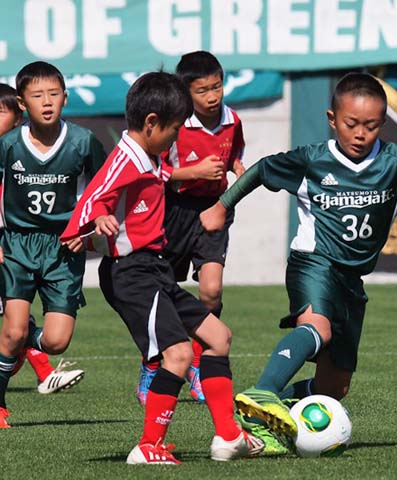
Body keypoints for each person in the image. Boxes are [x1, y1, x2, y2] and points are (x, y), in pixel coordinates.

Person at [199, 72, 397, 453]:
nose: (360, 133)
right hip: (314, 263)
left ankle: (260, 422)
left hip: (351, 280)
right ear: (332, 119)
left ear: (383, 124)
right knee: (318, 328)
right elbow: (261, 170)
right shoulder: (312, 159)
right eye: (351, 124)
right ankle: (263, 392)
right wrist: (221, 206)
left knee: (334, 388)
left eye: (371, 126)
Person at [61, 72, 263, 464]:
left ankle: (227, 437)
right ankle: (148, 446)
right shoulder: (124, 159)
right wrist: (93, 222)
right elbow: (93, 198)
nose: (176, 139)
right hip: (131, 274)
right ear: (152, 123)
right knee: (179, 354)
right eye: (173, 130)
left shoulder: (148, 158)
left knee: (218, 337)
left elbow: (160, 177)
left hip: (155, 269)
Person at [136, 51, 246, 405]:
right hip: (174, 213)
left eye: (217, 87)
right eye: (203, 91)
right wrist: (194, 173)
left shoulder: (232, 120)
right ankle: (152, 362)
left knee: (211, 291)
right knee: (163, 292)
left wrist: (238, 170)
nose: (213, 96)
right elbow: (159, 174)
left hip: (214, 211)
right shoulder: (177, 125)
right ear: (187, 93)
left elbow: (234, 155)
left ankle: (199, 362)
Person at [0, 63, 106, 428]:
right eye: (37, 95)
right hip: (17, 244)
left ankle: (21, 345)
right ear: (22, 102)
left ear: (65, 96)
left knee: (58, 341)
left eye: (54, 94)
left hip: (63, 248)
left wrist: (89, 227)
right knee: (11, 330)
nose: (47, 102)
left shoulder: (82, 141)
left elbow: (103, 188)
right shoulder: (8, 144)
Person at [0, 83, 85, 396]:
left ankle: (40, 363)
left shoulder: (57, 146)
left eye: (0, 111)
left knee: (23, 329)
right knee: (14, 327)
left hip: (29, 247)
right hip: (12, 246)